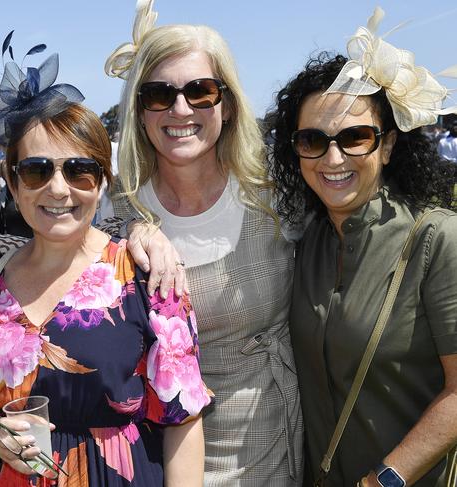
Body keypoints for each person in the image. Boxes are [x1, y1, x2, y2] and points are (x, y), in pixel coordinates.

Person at [0, 46, 211, 486]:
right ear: (12, 179)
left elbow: (183, 420)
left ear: (102, 181)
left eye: (79, 170)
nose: (58, 189)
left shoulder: (148, 277)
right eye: (37, 170)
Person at [102, 1, 303, 485]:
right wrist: (130, 229)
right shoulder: (117, 207)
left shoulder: (278, 192)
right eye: (159, 94)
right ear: (140, 110)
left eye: (200, 91)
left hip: (265, 443)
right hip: (152, 451)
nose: (180, 109)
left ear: (227, 104)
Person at [267, 8, 457, 486]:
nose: (333, 158)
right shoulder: (303, 241)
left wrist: (384, 479)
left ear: (388, 145)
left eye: (355, 138)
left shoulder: (438, 242)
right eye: (313, 140)